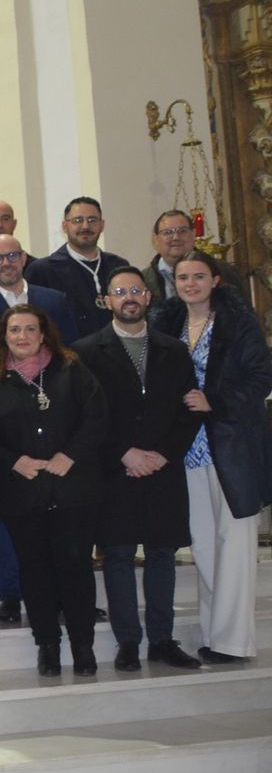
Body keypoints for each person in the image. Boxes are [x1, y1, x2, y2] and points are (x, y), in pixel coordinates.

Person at [73, 268, 204, 672]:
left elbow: (190, 409)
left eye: (135, 290)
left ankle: (162, 640)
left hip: (164, 470)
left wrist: (163, 454)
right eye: (119, 292)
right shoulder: (86, 352)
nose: (128, 297)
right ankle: (128, 641)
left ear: (148, 297)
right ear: (107, 301)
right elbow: (84, 417)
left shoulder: (173, 350)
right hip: (115, 471)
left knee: (163, 553)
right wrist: (124, 454)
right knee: (119, 555)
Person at [0, 304, 107, 677]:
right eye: (14, 331)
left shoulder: (72, 371)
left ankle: (84, 648)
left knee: (76, 567)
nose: (22, 337)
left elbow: (97, 418)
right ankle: (47, 645)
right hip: (23, 494)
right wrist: (14, 461)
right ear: (5, 337)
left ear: (44, 333)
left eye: (30, 330)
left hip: (73, 491)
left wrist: (72, 455)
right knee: (35, 570)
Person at [152, 250, 270, 664]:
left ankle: (234, 642)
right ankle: (214, 632)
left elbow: (261, 378)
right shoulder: (168, 323)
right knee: (203, 545)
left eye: (198, 276)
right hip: (189, 448)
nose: (190, 284)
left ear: (216, 280)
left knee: (234, 543)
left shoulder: (238, 322)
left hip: (232, 444)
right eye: (183, 277)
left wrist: (214, 400)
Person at [0, 232, 78, 625]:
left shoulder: (54, 301)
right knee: (2, 515)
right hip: (4, 430)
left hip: (56, 429)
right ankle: (10, 593)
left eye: (12, 255)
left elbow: (72, 361)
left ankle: (66, 590)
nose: (6, 262)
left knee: (61, 517)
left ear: (24, 257)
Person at [26, 197, 130, 341]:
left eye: (92, 220)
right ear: (64, 226)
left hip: (116, 354)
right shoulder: (42, 271)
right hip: (67, 357)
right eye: (77, 220)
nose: (85, 226)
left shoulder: (119, 266)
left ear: (102, 225)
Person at [143, 209, 249, 301]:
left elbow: (245, 319)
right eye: (167, 232)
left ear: (193, 234)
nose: (175, 237)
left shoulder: (223, 271)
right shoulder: (143, 280)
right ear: (156, 239)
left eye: (182, 231)